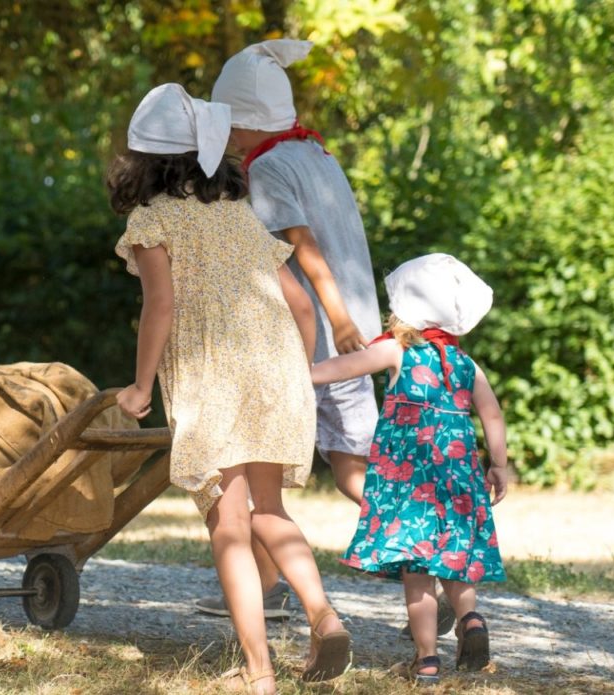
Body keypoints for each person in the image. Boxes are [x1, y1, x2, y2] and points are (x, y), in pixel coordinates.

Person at [199, 39, 457, 637]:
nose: (225, 135)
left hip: (314, 339)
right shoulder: (315, 153)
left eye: (228, 122)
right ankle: (285, 586)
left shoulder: (266, 168)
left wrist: (336, 319)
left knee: (276, 465)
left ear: (245, 121)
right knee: (346, 467)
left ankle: (425, 562)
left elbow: (303, 245)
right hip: (355, 332)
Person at [110, 82, 350, 694]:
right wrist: (295, 376)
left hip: (212, 379)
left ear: (142, 161)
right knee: (269, 511)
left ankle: (258, 669)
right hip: (277, 376)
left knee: (229, 523)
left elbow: (160, 307)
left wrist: (140, 387)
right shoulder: (237, 215)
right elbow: (301, 306)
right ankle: (323, 615)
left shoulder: (152, 219)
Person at [308, 253, 514, 685]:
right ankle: (471, 618)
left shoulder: (397, 350)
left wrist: (301, 374)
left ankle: (427, 659)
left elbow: (341, 368)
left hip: (410, 481)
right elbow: (492, 415)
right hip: (459, 478)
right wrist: (498, 464)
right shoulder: (465, 364)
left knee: (417, 569)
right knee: (454, 558)